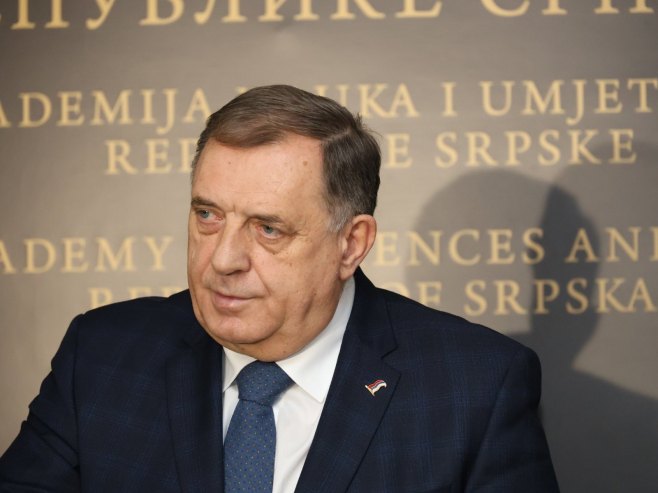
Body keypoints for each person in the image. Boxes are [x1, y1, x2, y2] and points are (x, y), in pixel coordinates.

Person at [0, 85, 559, 492]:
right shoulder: (102, 357)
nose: (223, 260)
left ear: (351, 244)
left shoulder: (475, 389)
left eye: (268, 229)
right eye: (207, 215)